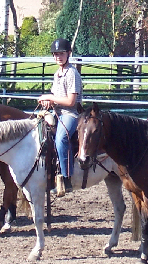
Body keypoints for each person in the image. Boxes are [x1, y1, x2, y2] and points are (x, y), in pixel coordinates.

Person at [38, 38, 83, 197]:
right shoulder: (57, 74)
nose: (58, 57)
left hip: (70, 114)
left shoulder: (72, 73)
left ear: (68, 54)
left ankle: (67, 178)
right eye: (56, 54)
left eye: (61, 54)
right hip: (57, 112)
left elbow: (71, 101)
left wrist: (50, 98)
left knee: (61, 139)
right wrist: (47, 102)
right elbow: (56, 96)